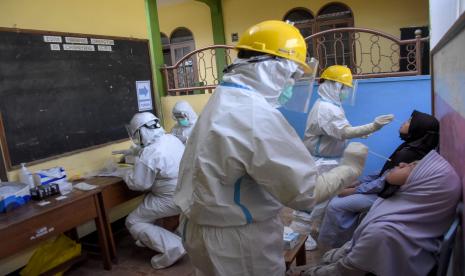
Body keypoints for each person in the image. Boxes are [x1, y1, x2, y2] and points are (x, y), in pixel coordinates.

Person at [174, 20, 369, 276]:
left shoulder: (223, 96)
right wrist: (349, 168)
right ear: (273, 68)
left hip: (199, 227)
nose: (291, 84)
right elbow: (305, 193)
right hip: (235, 239)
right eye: (291, 76)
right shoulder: (256, 114)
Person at [300, 150, 461, 276]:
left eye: (411, 166)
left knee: (336, 206)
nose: (402, 164)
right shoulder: (395, 206)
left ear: (422, 184)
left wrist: (308, 273)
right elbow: (357, 243)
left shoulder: (383, 233)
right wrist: (334, 256)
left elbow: (345, 270)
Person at [290, 65, 394, 250]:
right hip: (321, 161)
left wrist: (360, 133)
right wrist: (373, 126)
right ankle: (299, 237)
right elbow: (344, 131)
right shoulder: (326, 108)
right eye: (344, 87)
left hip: (330, 159)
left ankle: (318, 231)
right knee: (313, 201)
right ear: (333, 86)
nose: (346, 91)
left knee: (327, 200)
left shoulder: (330, 106)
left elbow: (339, 130)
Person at [318, 110, 440, 249]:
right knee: (337, 200)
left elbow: (385, 181)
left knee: (336, 205)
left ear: (418, 128)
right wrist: (361, 182)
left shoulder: (411, 153)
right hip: (383, 188)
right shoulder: (409, 146)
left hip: (389, 195)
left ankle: (335, 246)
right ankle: (342, 240)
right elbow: (384, 170)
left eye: (409, 121)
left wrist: (355, 190)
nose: (404, 122)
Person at [123, 112, 186, 269]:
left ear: (142, 132)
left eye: (137, 135)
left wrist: (125, 174)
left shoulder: (150, 154)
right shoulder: (172, 139)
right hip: (187, 192)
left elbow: (139, 184)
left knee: (133, 221)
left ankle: (174, 247)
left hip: (170, 198)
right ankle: (150, 239)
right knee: (147, 204)